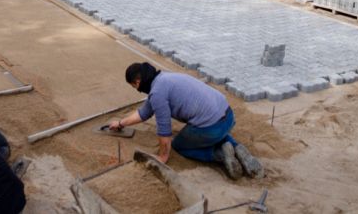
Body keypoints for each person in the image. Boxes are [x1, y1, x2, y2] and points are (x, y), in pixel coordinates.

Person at [109, 62, 263, 180]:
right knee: (209, 125)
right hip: (228, 116)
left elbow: (164, 129)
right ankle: (236, 147)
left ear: (137, 82)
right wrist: (121, 123)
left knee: (179, 145)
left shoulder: (157, 93)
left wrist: (163, 156)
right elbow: (144, 112)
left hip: (211, 128)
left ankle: (219, 154)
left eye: (133, 86)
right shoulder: (164, 79)